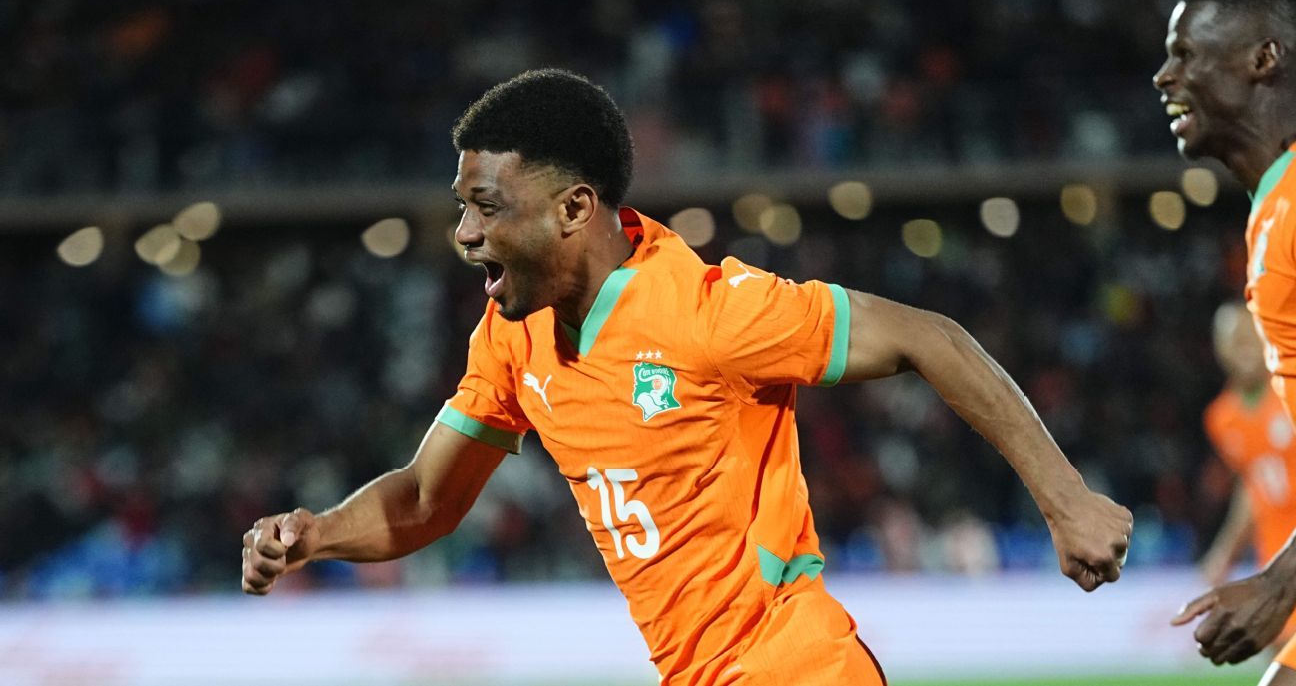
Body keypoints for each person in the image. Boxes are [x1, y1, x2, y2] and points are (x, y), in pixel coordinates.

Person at [241, 68, 1133, 685]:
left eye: (485, 207)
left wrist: (1066, 500)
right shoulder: (512, 337)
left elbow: (927, 335)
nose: (465, 233)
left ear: (573, 208)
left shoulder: (708, 312)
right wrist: (316, 535)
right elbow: (425, 499)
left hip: (794, 668)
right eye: (460, 207)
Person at [1154, 0, 1296, 679]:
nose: (1164, 76)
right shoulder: (1274, 208)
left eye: (1185, 53)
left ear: (1262, 58)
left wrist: (1282, 580)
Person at [1200, 302, 1296, 650]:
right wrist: (1224, 553)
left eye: (1248, 336)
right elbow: (1252, 489)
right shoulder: (1221, 418)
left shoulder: (1290, 391)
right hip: (1272, 560)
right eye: (1232, 340)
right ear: (1219, 349)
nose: (1242, 347)